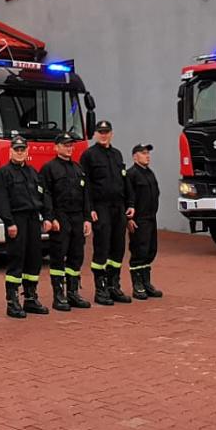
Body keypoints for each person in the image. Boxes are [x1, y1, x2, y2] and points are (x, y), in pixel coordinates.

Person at [0, 136, 50, 318]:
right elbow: (1, 200)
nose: (19, 152)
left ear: (27, 152)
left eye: (22, 149)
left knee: (34, 260)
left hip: (33, 220)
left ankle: (30, 299)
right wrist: (9, 222)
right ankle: (12, 301)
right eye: (16, 149)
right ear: (10, 151)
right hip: (17, 220)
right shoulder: (4, 173)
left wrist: (47, 217)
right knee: (16, 260)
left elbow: (43, 196)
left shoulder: (33, 172)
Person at [79, 120, 133, 306]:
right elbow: (84, 187)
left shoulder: (117, 155)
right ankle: (100, 289)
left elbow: (124, 182)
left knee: (118, 248)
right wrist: (90, 209)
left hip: (118, 207)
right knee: (102, 247)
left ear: (112, 134)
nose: (103, 134)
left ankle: (113, 286)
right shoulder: (89, 156)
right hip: (100, 207)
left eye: (106, 132)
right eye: (100, 132)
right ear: (95, 134)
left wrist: (130, 203)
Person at [39, 133, 93, 311]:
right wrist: (50, 217)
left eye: (71, 145)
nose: (69, 148)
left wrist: (87, 219)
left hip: (77, 217)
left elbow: (86, 196)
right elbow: (45, 195)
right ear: (56, 147)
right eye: (65, 145)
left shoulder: (78, 169)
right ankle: (58, 295)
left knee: (76, 256)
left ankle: (73, 292)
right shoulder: (49, 169)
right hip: (60, 218)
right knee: (58, 257)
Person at [125, 142, 165, 299]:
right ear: (135, 156)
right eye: (143, 153)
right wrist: (129, 219)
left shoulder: (149, 173)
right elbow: (128, 198)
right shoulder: (131, 174)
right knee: (139, 251)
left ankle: (146, 283)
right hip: (138, 220)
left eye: (148, 153)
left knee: (150, 250)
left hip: (151, 218)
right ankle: (137, 285)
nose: (147, 156)